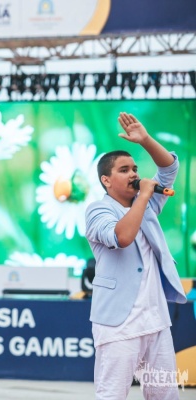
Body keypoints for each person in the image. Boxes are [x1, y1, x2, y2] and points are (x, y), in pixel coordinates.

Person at [85, 112, 187, 399]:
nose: (134, 174)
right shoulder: (97, 210)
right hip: (119, 324)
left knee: (165, 394)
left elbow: (169, 168)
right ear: (106, 180)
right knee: (113, 394)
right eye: (124, 170)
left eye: (135, 168)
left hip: (156, 320)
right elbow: (122, 237)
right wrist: (143, 196)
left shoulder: (146, 205)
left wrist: (145, 140)